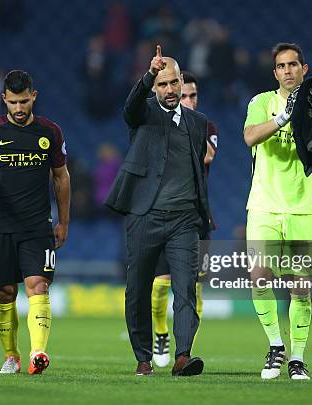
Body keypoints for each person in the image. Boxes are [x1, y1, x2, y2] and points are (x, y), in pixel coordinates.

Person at [105, 45, 211, 377]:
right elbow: (130, 106)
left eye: (173, 83)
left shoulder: (198, 123)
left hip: (183, 220)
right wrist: (149, 72)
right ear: (154, 87)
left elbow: (198, 168)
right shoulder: (143, 113)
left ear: (182, 83)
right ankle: (143, 358)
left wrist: (199, 213)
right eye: (162, 84)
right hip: (144, 215)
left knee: (186, 291)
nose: (168, 89)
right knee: (137, 289)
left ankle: (182, 356)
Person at [243, 42, 312, 380]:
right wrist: (283, 117)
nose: (287, 71)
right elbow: (250, 137)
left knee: (300, 286)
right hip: (264, 206)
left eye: (293, 65)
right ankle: (276, 346)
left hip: (303, 209)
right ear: (275, 73)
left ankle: (297, 358)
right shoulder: (262, 102)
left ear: (304, 68)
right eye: (281, 66)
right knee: (259, 276)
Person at [0, 70, 70, 376]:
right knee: (4, 292)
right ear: (4, 99)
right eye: (13, 102)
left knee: (37, 285)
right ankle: (11, 355)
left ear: (34, 97)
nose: (18, 108)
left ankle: (38, 353)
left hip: (37, 227)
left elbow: (62, 179)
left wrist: (64, 222)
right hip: (0, 225)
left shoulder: (50, 132)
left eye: (24, 101)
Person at [150, 70, 218, 368]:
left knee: (193, 285)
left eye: (193, 96)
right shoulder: (159, 121)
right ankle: (162, 334)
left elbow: (208, 156)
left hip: (195, 215)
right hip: (161, 212)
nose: (189, 100)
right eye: (184, 95)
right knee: (159, 284)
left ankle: (185, 344)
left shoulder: (205, 125)